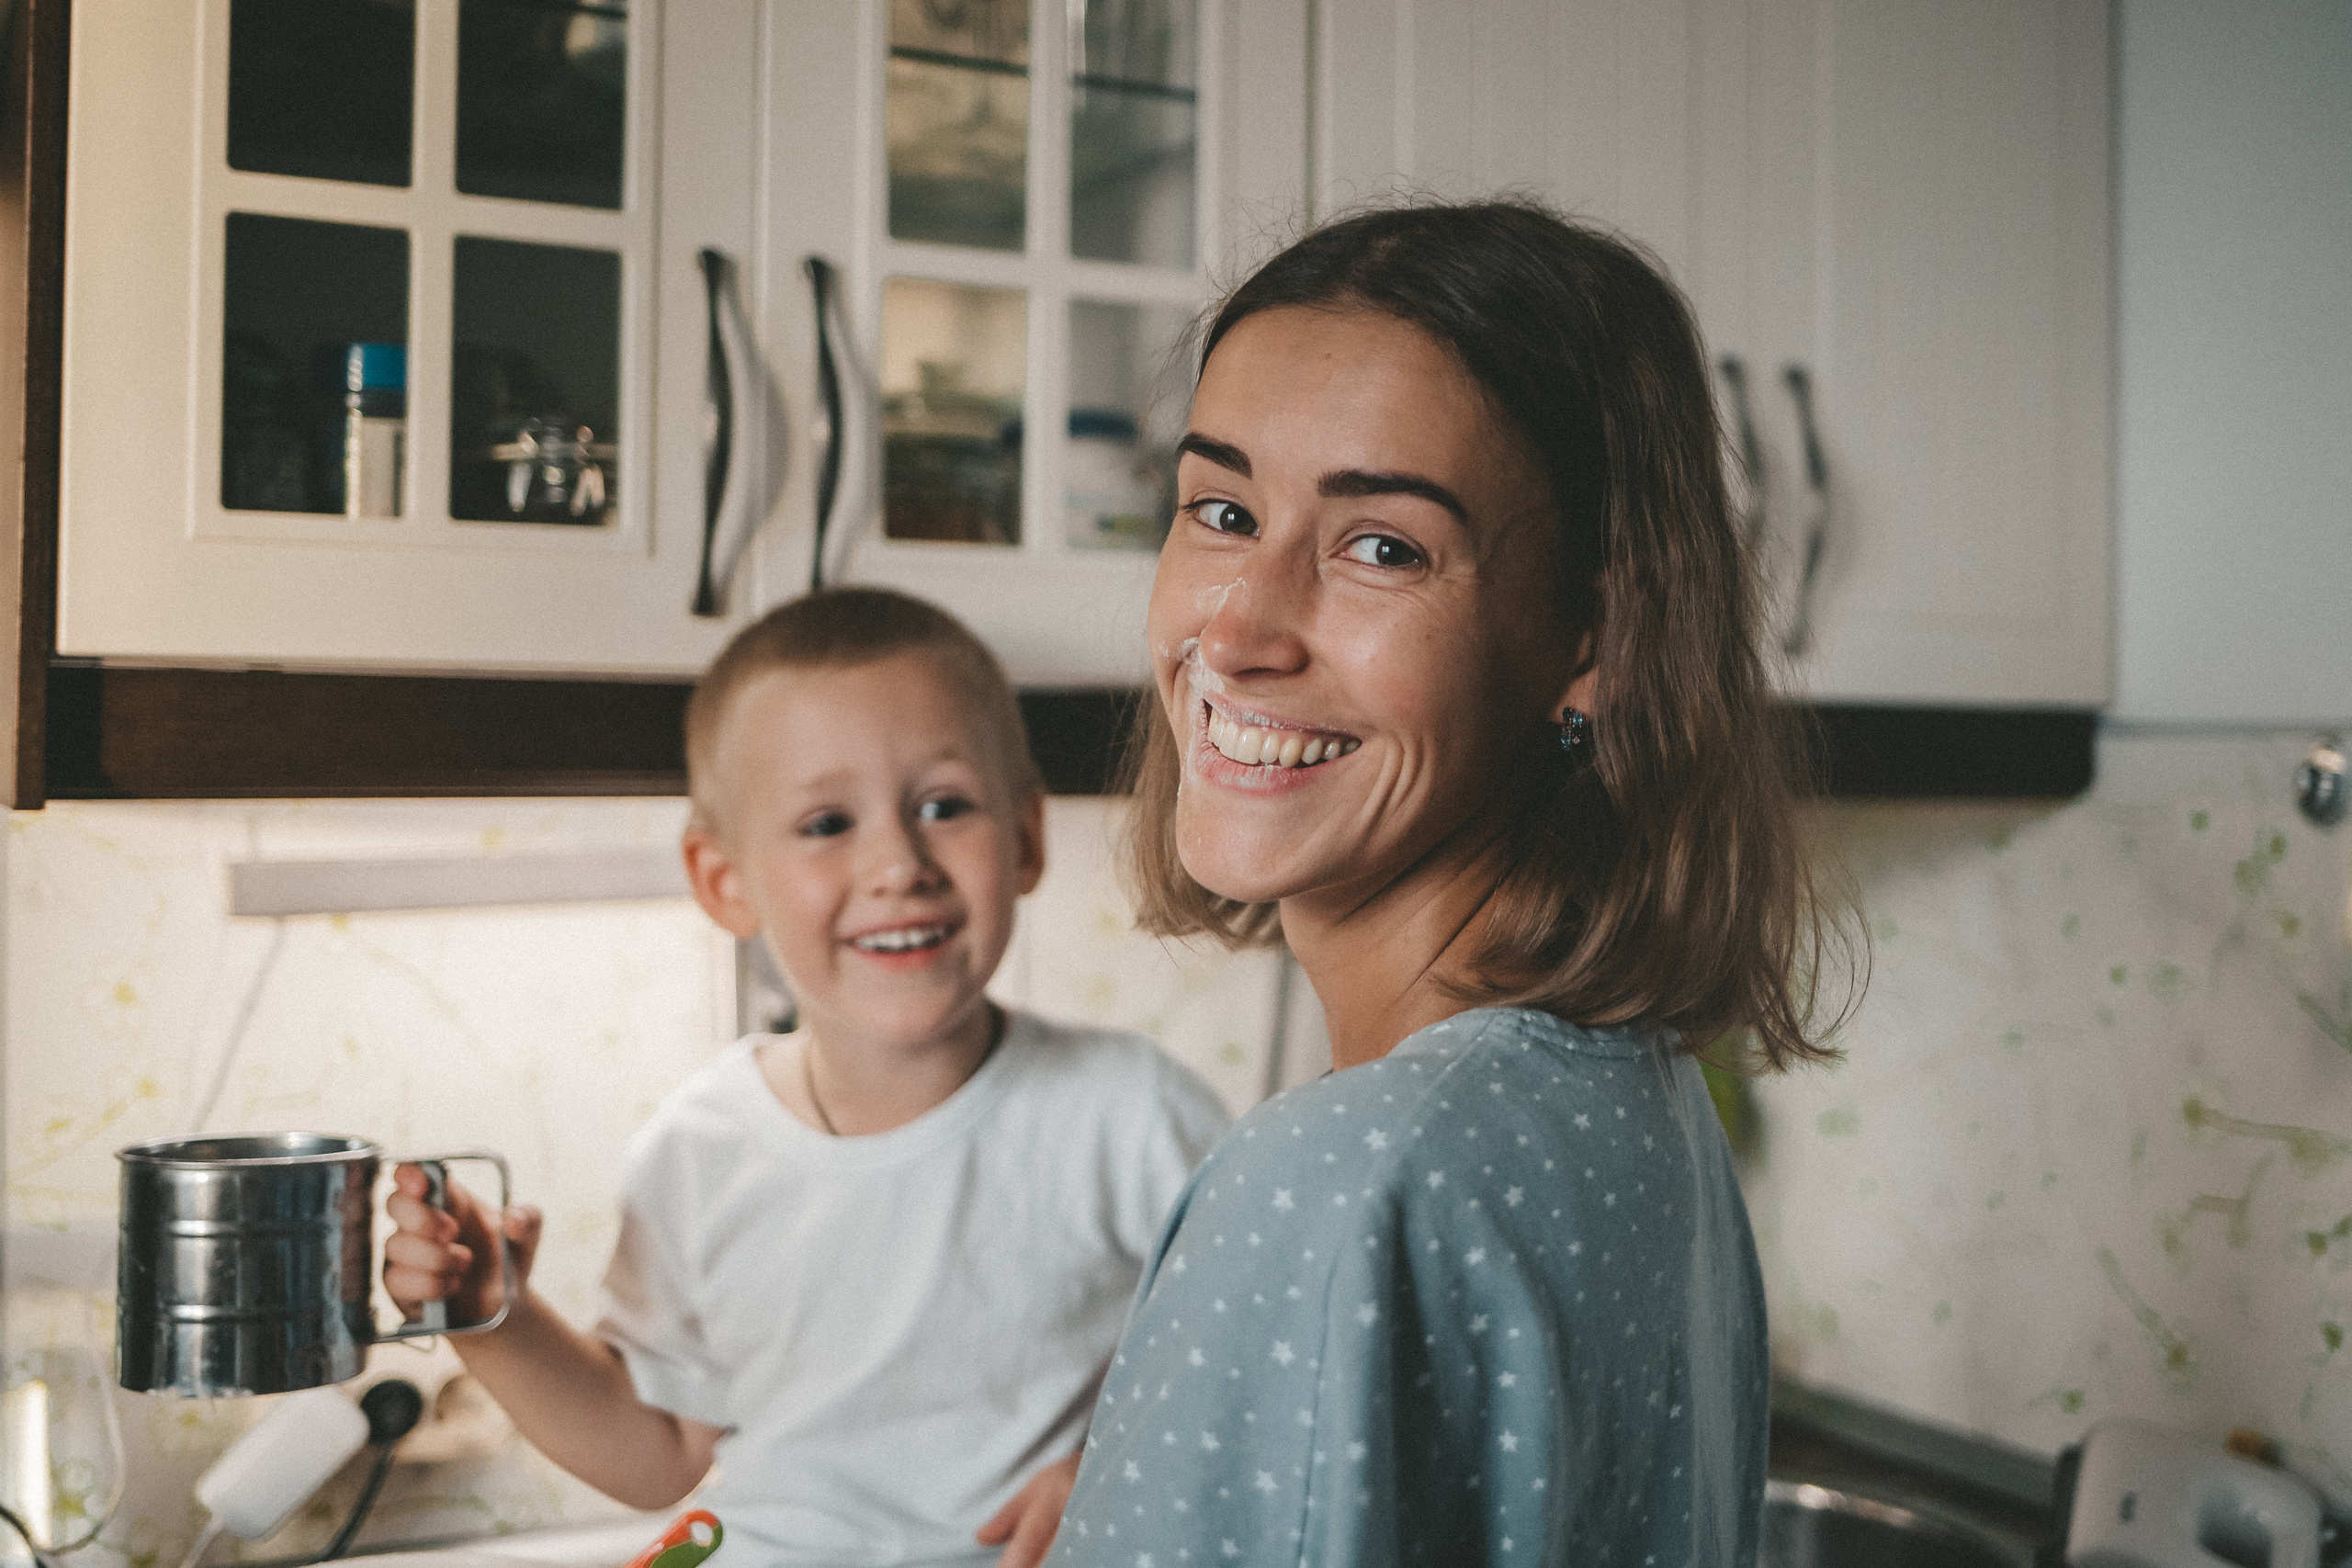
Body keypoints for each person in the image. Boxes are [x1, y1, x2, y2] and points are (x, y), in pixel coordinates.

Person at [1048, 201, 1852, 1566]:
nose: (1236, 627)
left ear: (1592, 636)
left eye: (1382, 546)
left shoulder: (1347, 1177)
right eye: (1223, 509)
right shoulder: (1628, 1089)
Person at [383, 588, 1231, 1568]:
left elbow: (1259, 1370)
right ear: (723, 880)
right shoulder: (699, 1150)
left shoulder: (1133, 1118)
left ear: (1026, 839)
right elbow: (654, 1454)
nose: (896, 864)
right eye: (827, 822)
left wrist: (1124, 1460)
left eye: (943, 806)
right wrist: (494, 1318)